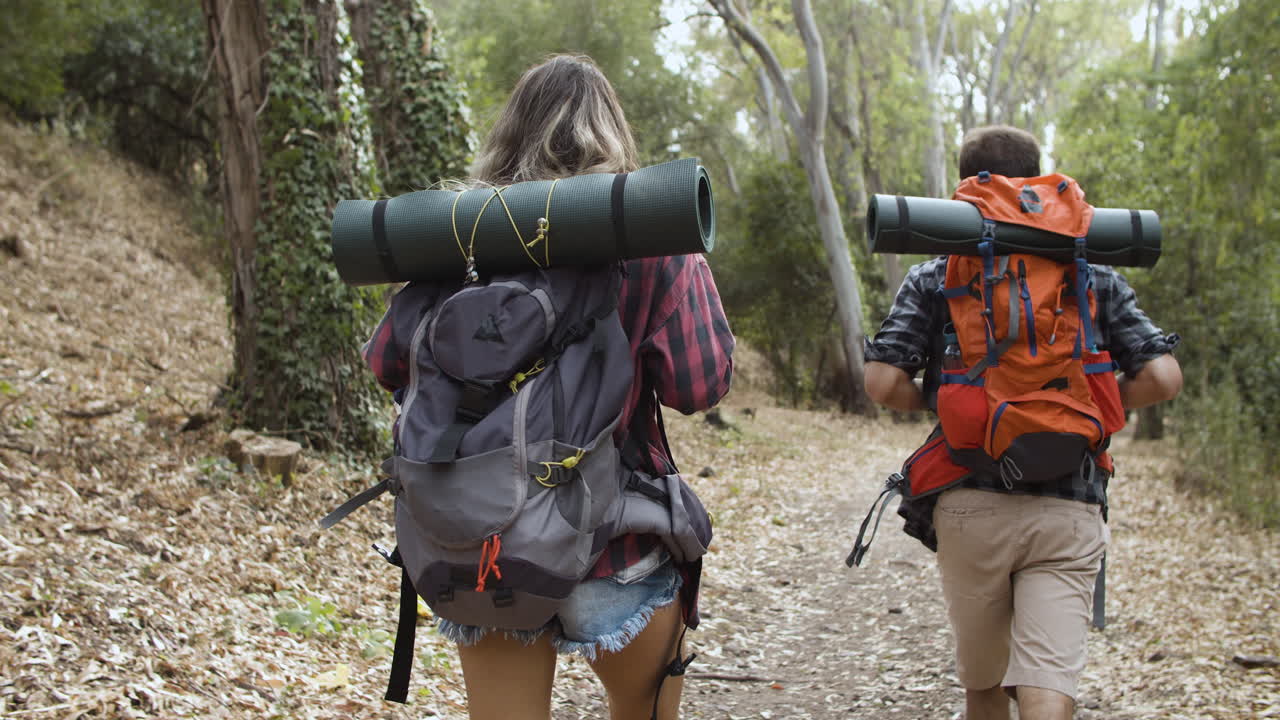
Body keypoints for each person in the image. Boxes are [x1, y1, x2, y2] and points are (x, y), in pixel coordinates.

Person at [362, 54, 734, 720]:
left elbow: (387, 362)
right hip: (615, 545)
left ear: (508, 134)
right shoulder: (650, 240)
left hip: (482, 545)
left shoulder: (456, 242)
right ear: (614, 132)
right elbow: (699, 385)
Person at [862, 125, 1182, 720]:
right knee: (1046, 682)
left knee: (984, 687)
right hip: (1071, 501)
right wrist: (1090, 402)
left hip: (970, 499)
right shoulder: (1091, 272)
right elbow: (1164, 379)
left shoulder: (939, 274)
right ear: (1036, 177)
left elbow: (882, 383)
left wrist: (957, 402)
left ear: (963, 187)